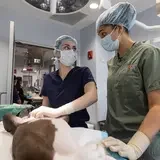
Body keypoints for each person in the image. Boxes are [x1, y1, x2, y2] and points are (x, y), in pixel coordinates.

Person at [96, 2, 160, 160]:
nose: (101, 40)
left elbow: (158, 106)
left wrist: (135, 146)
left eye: (104, 34)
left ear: (118, 28)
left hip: (144, 143)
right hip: (115, 141)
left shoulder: (147, 53)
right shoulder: (112, 62)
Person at [30, 35, 97, 128]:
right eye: (66, 47)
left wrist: (58, 112)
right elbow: (45, 108)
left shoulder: (83, 72)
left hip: (79, 129)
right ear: (57, 53)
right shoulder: (48, 78)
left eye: (74, 48)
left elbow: (92, 96)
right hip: (55, 128)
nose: (71, 51)